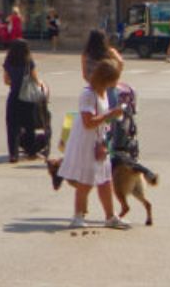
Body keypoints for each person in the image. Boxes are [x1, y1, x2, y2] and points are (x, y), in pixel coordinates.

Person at [51, 58, 130, 229]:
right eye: (114, 79)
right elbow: (88, 122)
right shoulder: (88, 94)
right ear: (105, 78)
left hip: (98, 140)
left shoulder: (102, 92)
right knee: (85, 180)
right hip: (86, 142)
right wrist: (111, 114)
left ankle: (110, 216)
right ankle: (78, 215)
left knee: (105, 179)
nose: (116, 83)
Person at [2, 39, 45, 162]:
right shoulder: (28, 62)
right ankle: (31, 152)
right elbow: (35, 80)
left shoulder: (8, 62)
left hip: (14, 96)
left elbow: (6, 81)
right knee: (29, 125)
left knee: (12, 126)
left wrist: (14, 82)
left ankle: (13, 154)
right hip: (27, 97)